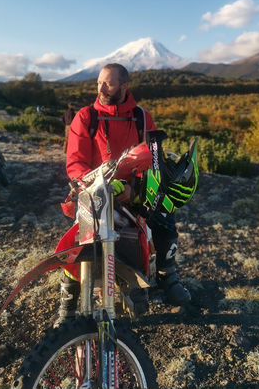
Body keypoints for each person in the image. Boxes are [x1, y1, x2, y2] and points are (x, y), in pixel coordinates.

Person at [56, 63, 192, 325]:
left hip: (134, 191)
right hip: (95, 191)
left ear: (124, 85)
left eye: (108, 83)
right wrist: (97, 184)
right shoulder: (86, 117)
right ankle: (68, 303)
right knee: (78, 239)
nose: (101, 88)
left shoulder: (142, 118)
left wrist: (135, 188)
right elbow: (75, 163)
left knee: (164, 214)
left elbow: (154, 160)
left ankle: (167, 275)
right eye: (99, 83)